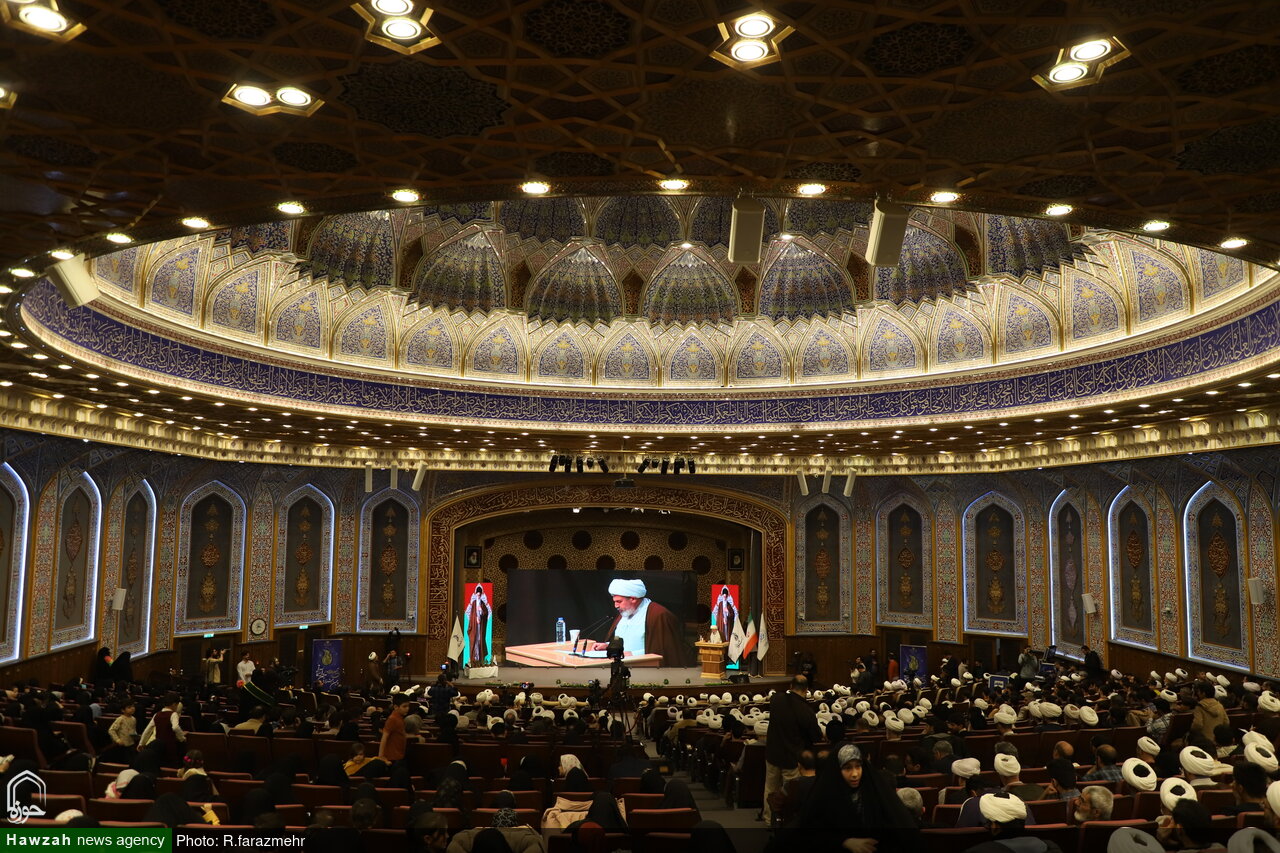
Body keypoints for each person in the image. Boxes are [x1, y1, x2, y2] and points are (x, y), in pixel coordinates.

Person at [762, 675, 823, 824]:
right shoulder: (806, 711)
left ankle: (769, 819)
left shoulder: (776, 700)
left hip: (773, 754)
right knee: (790, 792)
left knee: (770, 787)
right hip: (792, 758)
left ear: (790, 686)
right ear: (806, 690)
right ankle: (786, 821)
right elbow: (816, 737)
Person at [588, 578, 690, 666]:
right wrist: (608, 645)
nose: (616, 606)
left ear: (633, 598)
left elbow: (664, 650)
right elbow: (626, 640)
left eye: (619, 601)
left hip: (644, 668)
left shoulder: (658, 615)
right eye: (614, 601)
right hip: (620, 664)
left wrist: (633, 654)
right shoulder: (624, 613)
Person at [465, 585, 491, 665]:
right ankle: (474, 659)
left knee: (480, 640)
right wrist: (474, 619)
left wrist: (481, 611)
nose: (478, 596)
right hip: (474, 626)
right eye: (477, 595)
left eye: (480, 595)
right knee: (474, 641)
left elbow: (486, 612)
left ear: (481, 595)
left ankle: (480, 659)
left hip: (480, 627)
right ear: (475, 594)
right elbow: (469, 613)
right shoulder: (473, 603)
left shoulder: (482, 603)